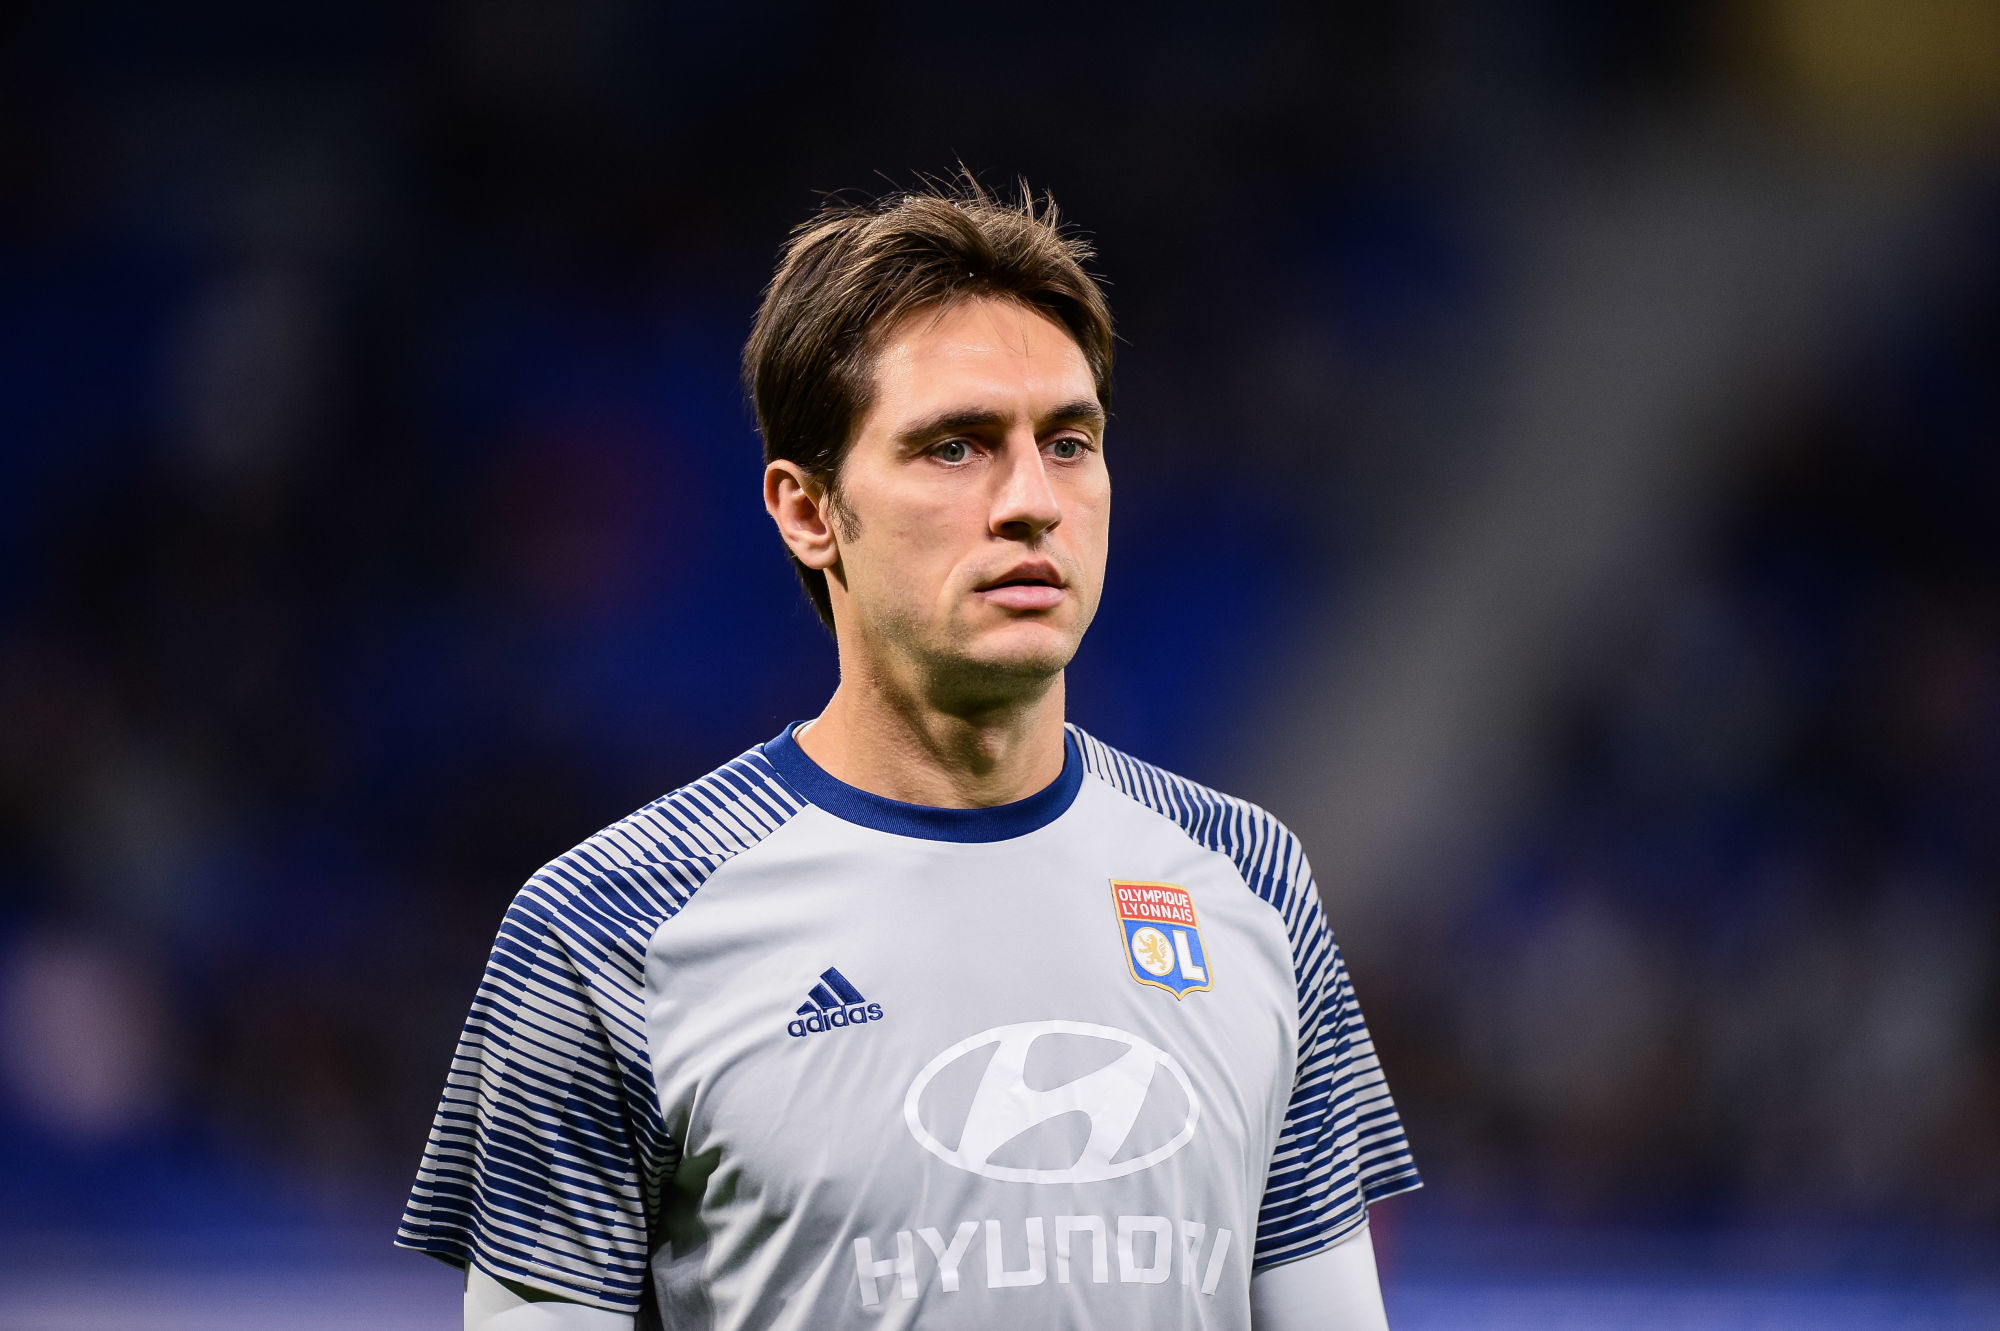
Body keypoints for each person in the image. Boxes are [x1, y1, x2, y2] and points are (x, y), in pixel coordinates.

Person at [397, 179, 1419, 1331]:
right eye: (955, 447)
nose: (1032, 502)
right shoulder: (604, 927)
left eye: (1068, 443)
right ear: (807, 509)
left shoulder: (1253, 878)